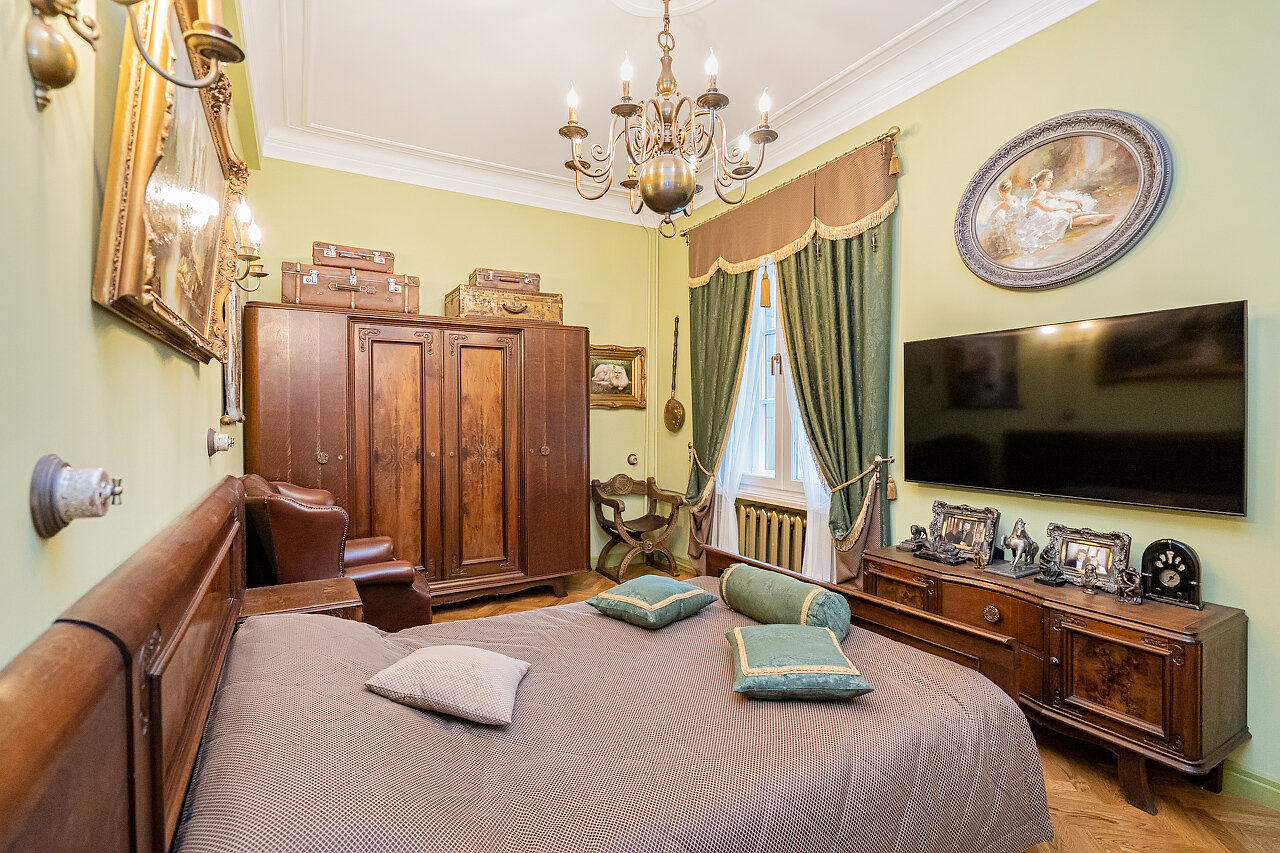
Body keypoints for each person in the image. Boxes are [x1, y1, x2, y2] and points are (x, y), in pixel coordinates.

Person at [1015, 169, 1116, 252]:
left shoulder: (1044, 194)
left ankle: (1092, 218)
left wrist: (1073, 200)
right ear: (1041, 183)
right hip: (1038, 223)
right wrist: (1065, 209)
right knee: (1061, 215)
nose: (1051, 182)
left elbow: (1058, 198)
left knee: (1063, 213)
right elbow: (1048, 210)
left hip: (1046, 216)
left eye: (1051, 180)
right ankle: (1091, 217)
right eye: (1049, 180)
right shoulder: (1035, 200)